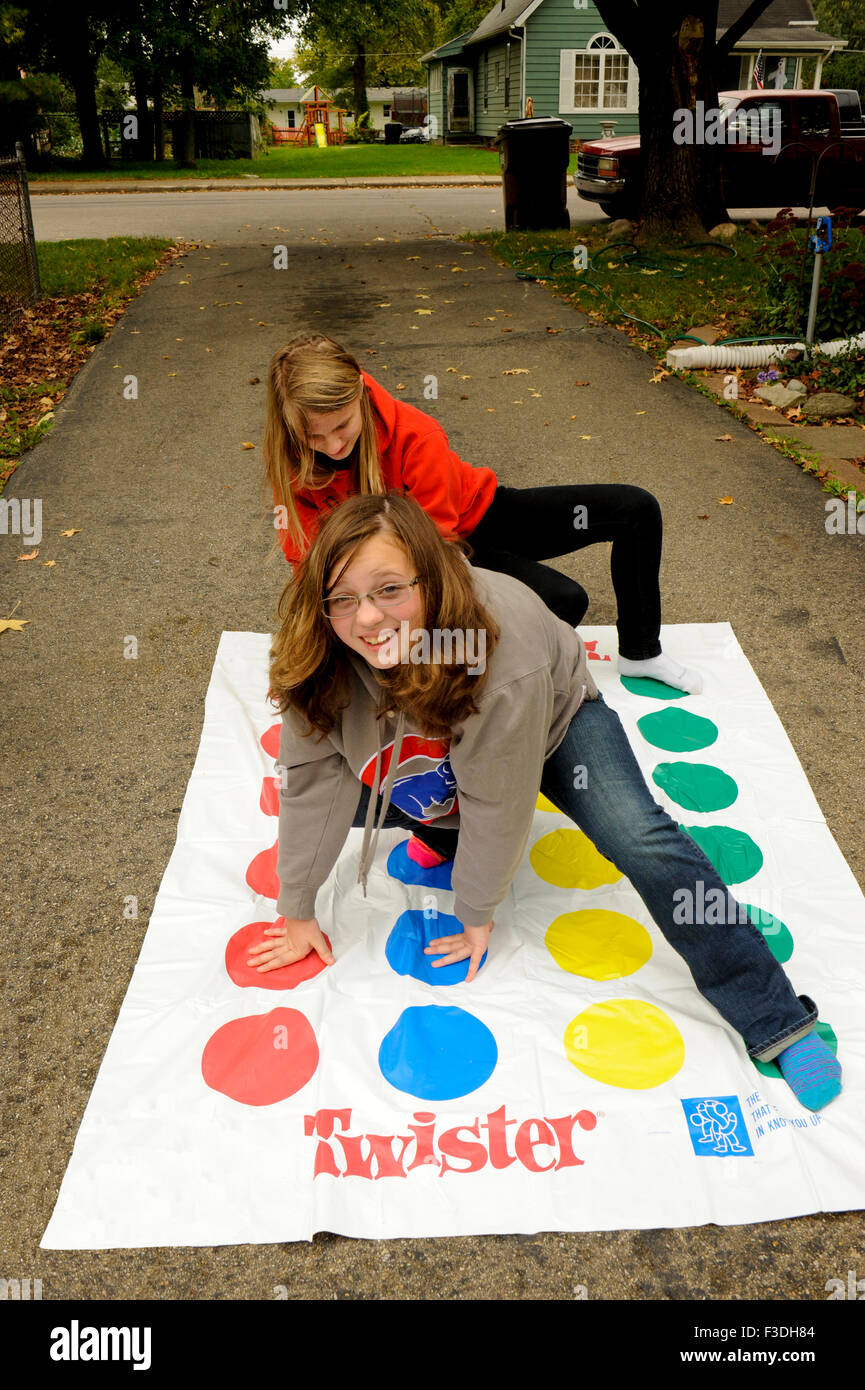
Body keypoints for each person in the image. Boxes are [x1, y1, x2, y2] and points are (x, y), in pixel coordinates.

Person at [250, 492, 842, 1114]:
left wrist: (475, 908)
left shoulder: (498, 652)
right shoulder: (317, 655)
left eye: (390, 590)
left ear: (430, 573)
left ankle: (777, 1018)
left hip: (556, 721)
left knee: (637, 835)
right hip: (435, 738)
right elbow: (312, 782)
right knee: (351, 801)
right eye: (342, 598)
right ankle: (440, 830)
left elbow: (499, 798)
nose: (368, 618)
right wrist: (297, 908)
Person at [263, 332, 702, 695]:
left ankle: (641, 653)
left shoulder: (416, 434)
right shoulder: (291, 461)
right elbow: (308, 565)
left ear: (360, 392)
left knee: (636, 509)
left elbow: (441, 543)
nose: (334, 446)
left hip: (472, 521)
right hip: (414, 562)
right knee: (565, 602)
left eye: (341, 427)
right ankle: (461, 669)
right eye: (313, 436)